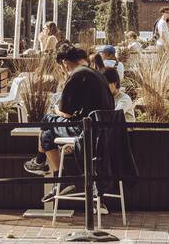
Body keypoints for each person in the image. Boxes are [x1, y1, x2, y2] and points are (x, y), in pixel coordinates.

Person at [23, 46, 113, 178]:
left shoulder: (76, 75)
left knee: (48, 119)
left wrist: (55, 108)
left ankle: (43, 164)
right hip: (106, 130)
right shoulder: (97, 74)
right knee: (47, 135)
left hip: (88, 131)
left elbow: (66, 113)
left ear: (65, 63)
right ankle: (54, 176)